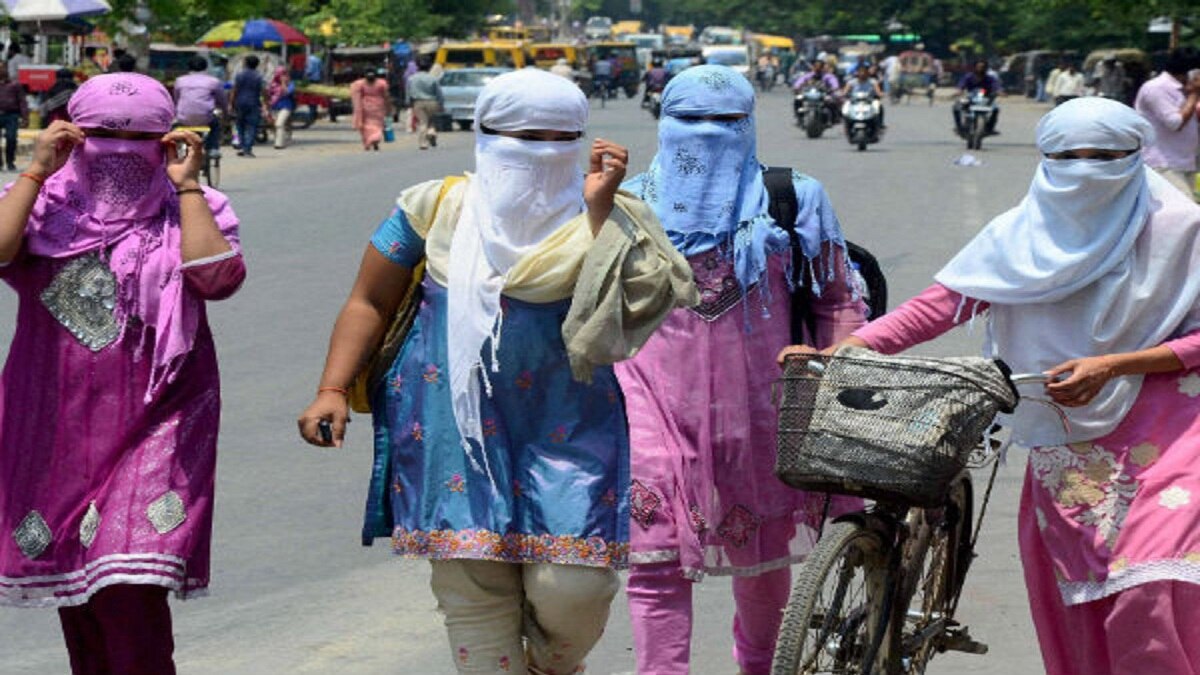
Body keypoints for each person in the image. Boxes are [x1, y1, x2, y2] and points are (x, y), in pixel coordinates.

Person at [781, 97, 1200, 675]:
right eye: (1067, 157)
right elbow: (943, 305)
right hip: (1064, 436)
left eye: (1104, 157)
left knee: (1149, 584)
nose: (1085, 171)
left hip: (1171, 432)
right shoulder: (1019, 234)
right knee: (1085, 591)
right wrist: (847, 350)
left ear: (1135, 157)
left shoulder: (1182, 229)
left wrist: (1117, 364)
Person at [296, 68, 693, 675]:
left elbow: (646, 301)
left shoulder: (615, 213)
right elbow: (368, 301)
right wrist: (330, 389)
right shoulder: (432, 208)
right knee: (473, 596)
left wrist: (600, 212)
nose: (538, 153)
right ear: (483, 134)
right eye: (522, 136)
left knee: (575, 589)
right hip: (450, 428)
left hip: (570, 425)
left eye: (557, 138)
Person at [619, 64, 867, 675]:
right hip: (648, 403)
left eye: (725, 121)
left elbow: (835, 297)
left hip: (764, 408)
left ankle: (760, 665)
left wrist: (840, 375)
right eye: (689, 120)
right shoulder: (627, 204)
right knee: (653, 563)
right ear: (662, 123)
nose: (707, 133)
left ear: (750, 124)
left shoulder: (792, 197)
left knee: (762, 564)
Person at [0, 72, 245, 675]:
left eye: (138, 138)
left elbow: (218, 279)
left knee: (129, 586)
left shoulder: (194, 207)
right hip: (56, 420)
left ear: (169, 141)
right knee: (80, 589)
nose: (118, 149)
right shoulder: (42, 203)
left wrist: (187, 187)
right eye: (102, 133)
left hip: (162, 418)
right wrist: (36, 170)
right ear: (73, 134)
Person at [1134, 48, 1200, 201]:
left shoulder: (1186, 89)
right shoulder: (1156, 88)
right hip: (1163, 163)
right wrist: (1194, 94)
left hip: (1185, 161)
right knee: (1184, 212)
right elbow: (1174, 123)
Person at [173, 55, 227, 156]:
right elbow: (222, 100)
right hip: (205, 118)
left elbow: (176, 99)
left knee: (174, 128)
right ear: (205, 67)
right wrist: (226, 113)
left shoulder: (180, 81)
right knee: (215, 124)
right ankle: (213, 148)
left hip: (184, 118)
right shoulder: (213, 81)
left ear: (189, 67)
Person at [955, 59, 1002, 135]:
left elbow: (996, 86)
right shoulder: (968, 77)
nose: (981, 69)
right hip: (971, 98)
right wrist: (959, 90)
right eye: (979, 67)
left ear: (986, 68)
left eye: (983, 67)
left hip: (985, 99)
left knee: (995, 109)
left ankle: (990, 128)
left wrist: (999, 92)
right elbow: (961, 85)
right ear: (974, 67)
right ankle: (959, 127)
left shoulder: (990, 78)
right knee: (956, 107)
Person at [230, 55, 264, 157]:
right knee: (252, 126)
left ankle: (243, 147)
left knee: (240, 126)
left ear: (245, 63)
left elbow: (234, 90)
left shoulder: (239, 75)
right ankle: (247, 148)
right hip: (254, 103)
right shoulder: (259, 76)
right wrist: (266, 102)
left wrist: (230, 104)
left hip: (239, 103)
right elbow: (264, 91)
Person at [351, 68, 392, 152]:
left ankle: (367, 141)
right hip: (378, 106)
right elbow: (386, 96)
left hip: (365, 106)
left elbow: (356, 95)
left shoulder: (359, 84)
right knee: (377, 125)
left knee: (365, 126)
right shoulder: (382, 83)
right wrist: (389, 107)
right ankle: (375, 139)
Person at [405, 61, 441, 150]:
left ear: (418, 67)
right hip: (432, 102)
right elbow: (439, 93)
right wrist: (441, 103)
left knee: (423, 122)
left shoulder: (411, 79)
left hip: (418, 102)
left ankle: (423, 143)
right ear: (429, 67)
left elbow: (408, 92)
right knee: (431, 121)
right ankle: (431, 132)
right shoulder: (433, 78)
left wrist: (408, 103)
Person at [0, 68, 27, 172]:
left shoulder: (15, 85)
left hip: (11, 115)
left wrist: (25, 117)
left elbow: (22, 101)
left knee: (11, 138)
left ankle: (10, 162)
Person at [267, 66, 296, 150]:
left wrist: (283, 83)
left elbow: (286, 92)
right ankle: (281, 137)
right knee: (274, 126)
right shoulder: (273, 84)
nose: (282, 76)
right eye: (280, 74)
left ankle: (279, 144)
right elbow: (267, 95)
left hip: (286, 107)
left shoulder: (291, 84)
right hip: (274, 107)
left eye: (284, 74)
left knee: (279, 124)